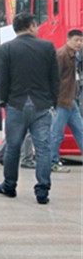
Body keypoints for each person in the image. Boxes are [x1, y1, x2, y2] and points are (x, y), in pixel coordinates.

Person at [0, 12, 59, 204]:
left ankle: (9, 186)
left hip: (16, 104)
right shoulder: (47, 47)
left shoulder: (5, 49)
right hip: (41, 105)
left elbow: (3, 80)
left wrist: (3, 101)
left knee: (13, 147)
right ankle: (42, 191)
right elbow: (54, 78)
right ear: (31, 26)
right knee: (43, 148)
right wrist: (52, 102)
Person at [48, 29, 83, 173]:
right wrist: (53, 101)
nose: (79, 43)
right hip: (62, 101)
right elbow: (53, 78)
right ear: (68, 40)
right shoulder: (61, 55)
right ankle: (53, 162)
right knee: (56, 134)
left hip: (71, 100)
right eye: (76, 40)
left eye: (81, 41)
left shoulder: (75, 55)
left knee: (80, 131)